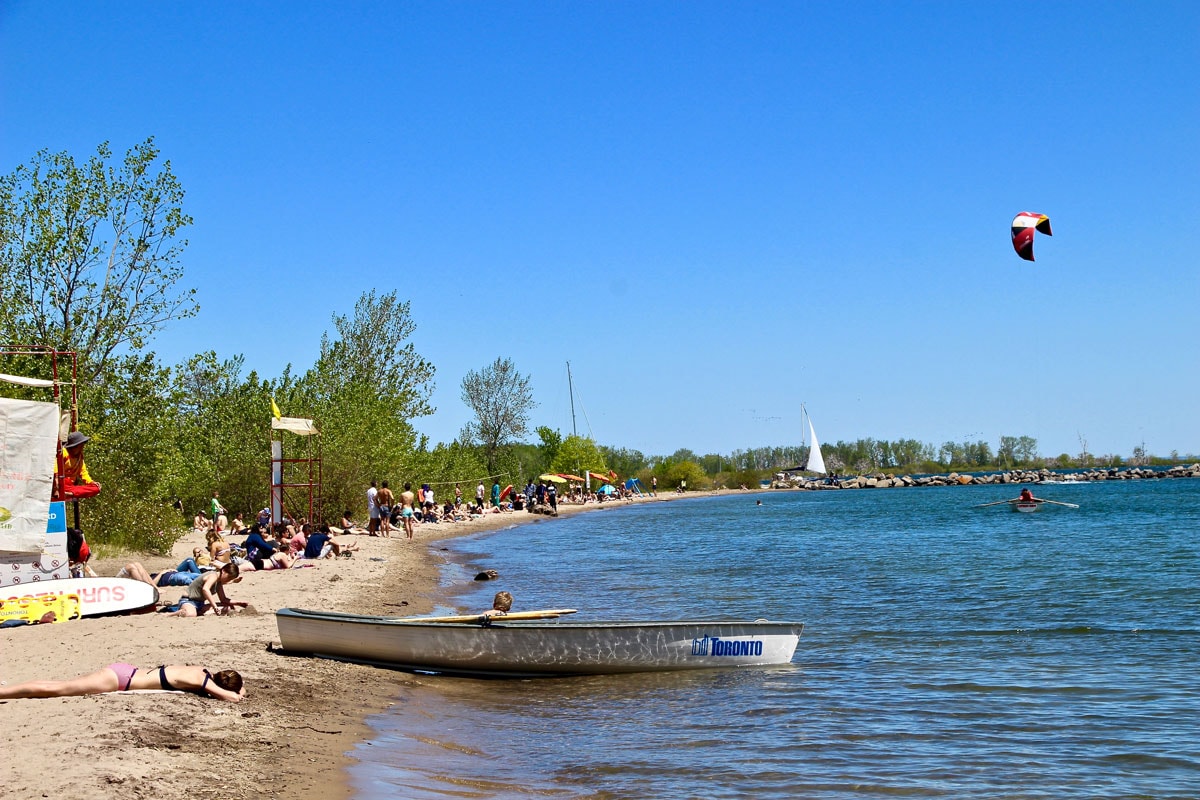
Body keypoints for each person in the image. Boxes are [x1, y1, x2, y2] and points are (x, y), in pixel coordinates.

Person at [0, 663, 246, 702]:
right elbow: (230, 698)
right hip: (119, 681)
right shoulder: (200, 680)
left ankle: (6, 690)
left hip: (125, 671)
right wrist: (238, 693)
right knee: (58, 689)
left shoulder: (200, 670)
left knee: (58, 684)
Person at [168, 562, 241, 617]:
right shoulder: (213, 575)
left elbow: (223, 599)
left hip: (200, 604)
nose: (228, 580)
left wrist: (239, 603)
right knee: (191, 614)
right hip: (189, 600)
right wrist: (214, 606)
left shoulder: (219, 582)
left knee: (228, 607)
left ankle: (201, 612)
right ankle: (171, 614)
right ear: (224, 571)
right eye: (229, 577)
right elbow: (205, 589)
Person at [57, 430, 101, 500]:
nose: (82, 448)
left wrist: (91, 482)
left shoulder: (80, 456)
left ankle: (69, 494)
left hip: (71, 487)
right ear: (74, 446)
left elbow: (83, 472)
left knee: (96, 488)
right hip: (60, 484)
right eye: (80, 446)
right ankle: (66, 493)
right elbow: (55, 472)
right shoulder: (64, 453)